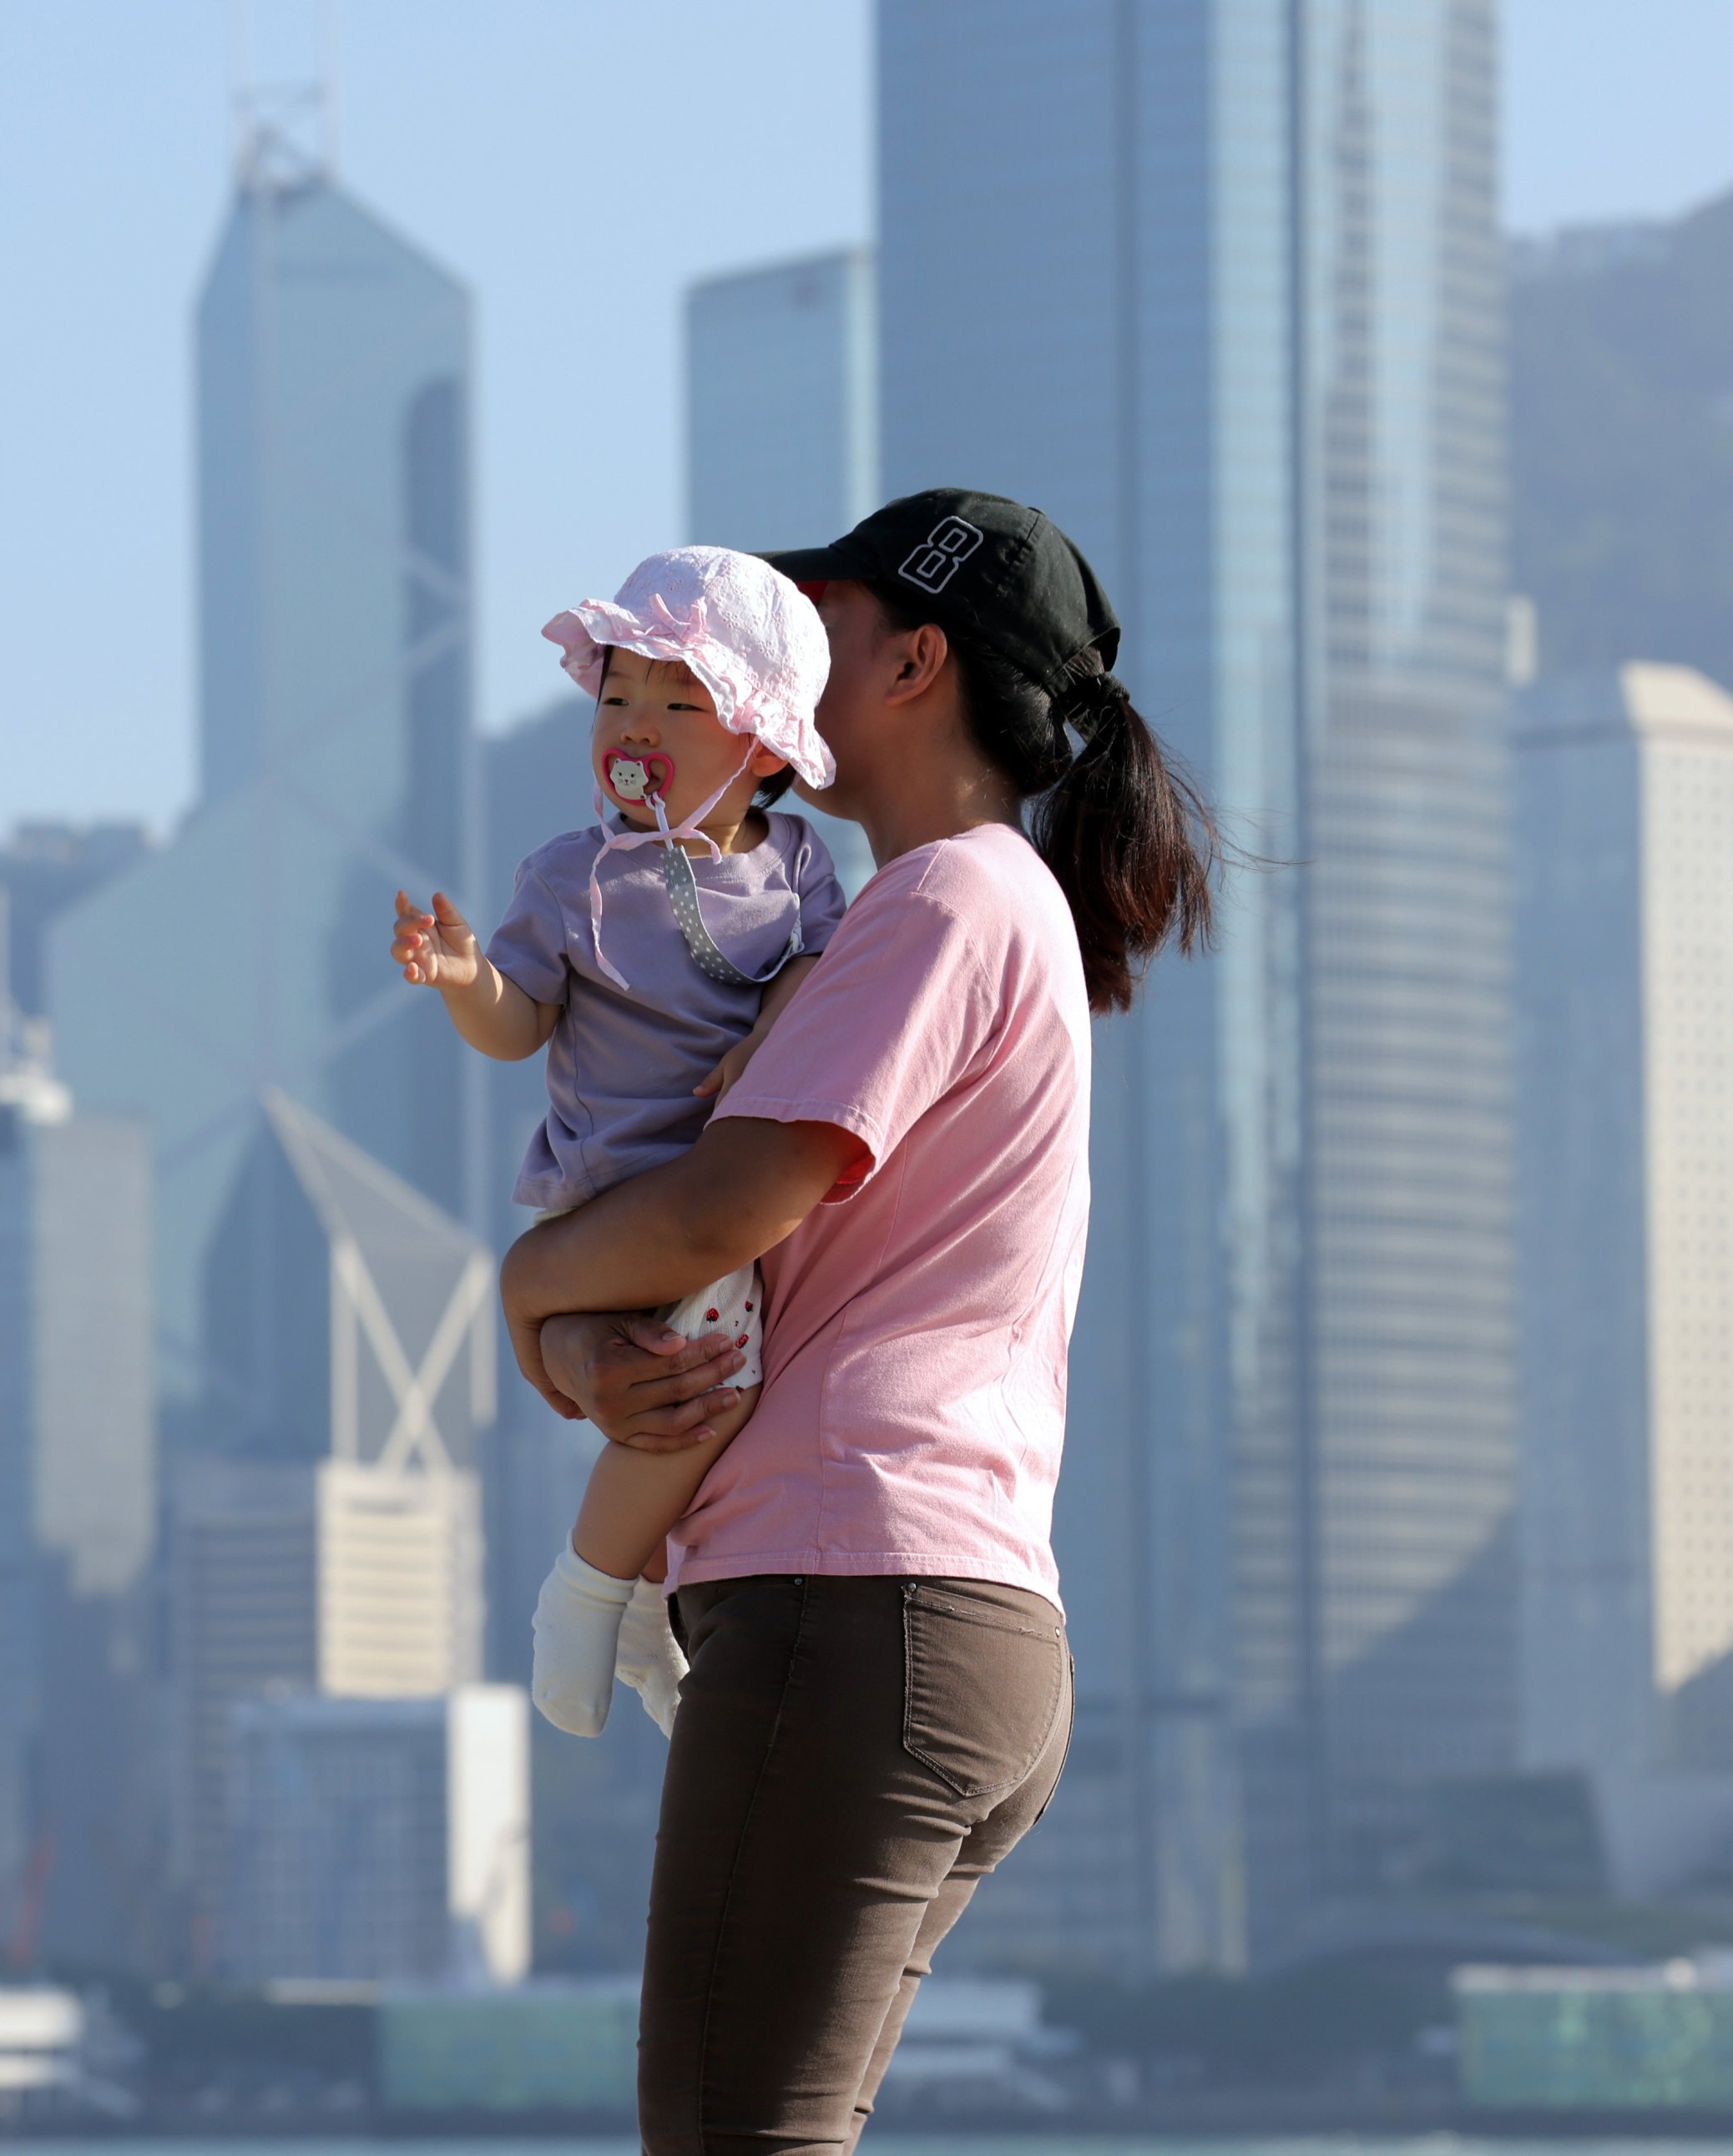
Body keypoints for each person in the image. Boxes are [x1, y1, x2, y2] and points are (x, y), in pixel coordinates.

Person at [499, 490, 1217, 2156]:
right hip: (928, 1608)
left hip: (856, 1597)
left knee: (726, 2137)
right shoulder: (892, 915)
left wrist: (522, 1290)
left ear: (910, 660)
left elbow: (706, 1213)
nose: (767, 643)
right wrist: (572, 1345)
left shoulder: (939, 903)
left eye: (808, 615)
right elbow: (707, 1276)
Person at [391, 545, 846, 1739]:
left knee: (674, 1399)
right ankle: (587, 1591)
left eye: (677, 701)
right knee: (708, 1391)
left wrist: (770, 1042)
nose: (632, 722)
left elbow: (816, 968)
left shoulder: (798, 868)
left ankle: (643, 1602)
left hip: (714, 1203)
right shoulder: (572, 880)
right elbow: (519, 1024)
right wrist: (462, 978)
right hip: (612, 1201)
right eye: (615, 695)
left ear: (759, 744)